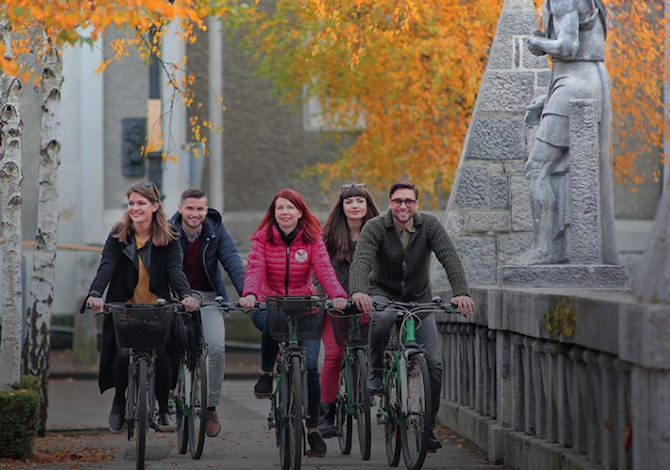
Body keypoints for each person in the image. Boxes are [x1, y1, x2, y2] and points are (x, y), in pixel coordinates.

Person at [349, 181, 475, 451]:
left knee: (433, 363)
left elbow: (449, 257)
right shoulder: (375, 227)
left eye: (408, 201)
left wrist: (461, 292)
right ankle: (377, 370)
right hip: (382, 292)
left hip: (419, 298)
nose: (403, 206)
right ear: (389, 203)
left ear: (416, 203)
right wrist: (359, 291)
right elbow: (362, 261)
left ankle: (427, 428)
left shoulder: (429, 225)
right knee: (382, 317)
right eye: (397, 201)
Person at [81, 181, 200, 433]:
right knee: (123, 353)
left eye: (141, 203)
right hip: (124, 305)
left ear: (155, 207)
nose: (135, 208)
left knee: (161, 351)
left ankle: (164, 409)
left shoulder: (169, 236)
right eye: (131, 203)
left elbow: (175, 270)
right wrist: (95, 293)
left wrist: (186, 295)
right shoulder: (119, 234)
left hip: (156, 306)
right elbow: (107, 266)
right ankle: (118, 402)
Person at [238, 189, 348, 457]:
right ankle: (266, 372)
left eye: (290, 207)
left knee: (310, 367)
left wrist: (338, 296)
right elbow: (254, 268)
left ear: (300, 212)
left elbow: (324, 269)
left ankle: (312, 429)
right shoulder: (262, 239)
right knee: (269, 324)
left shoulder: (312, 240)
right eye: (280, 208)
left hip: (305, 307)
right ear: (273, 214)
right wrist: (250, 294)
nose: (285, 212)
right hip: (269, 303)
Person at [519, 0, 617, 265]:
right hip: (581, 79)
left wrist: (537, 44)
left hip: (575, 83)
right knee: (549, 170)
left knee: (537, 167)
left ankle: (545, 248)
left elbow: (568, 47)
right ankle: (557, 247)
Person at [170, 188, 246, 438]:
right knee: (168, 345)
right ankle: (168, 395)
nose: (195, 214)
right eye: (190, 208)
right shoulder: (168, 229)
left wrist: (247, 292)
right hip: (175, 296)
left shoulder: (215, 230)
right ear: (180, 208)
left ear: (206, 209)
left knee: (216, 347)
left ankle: (210, 406)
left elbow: (232, 259)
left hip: (208, 296)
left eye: (200, 209)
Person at [316, 183, 380, 438]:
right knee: (334, 354)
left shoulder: (380, 232)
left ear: (367, 205)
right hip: (336, 304)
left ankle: (372, 390)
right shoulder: (329, 235)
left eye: (359, 201)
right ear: (341, 207)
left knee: (374, 346)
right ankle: (326, 414)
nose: (355, 206)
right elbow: (320, 271)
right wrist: (331, 298)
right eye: (349, 201)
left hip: (368, 303)